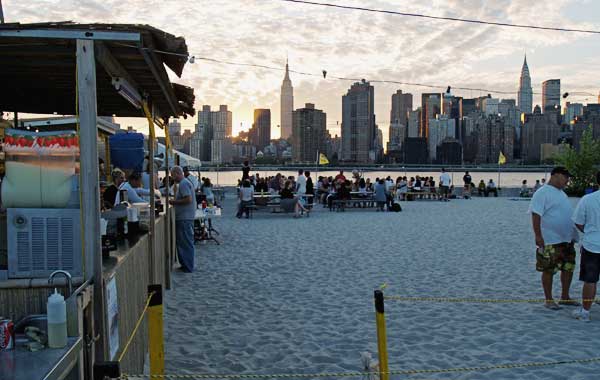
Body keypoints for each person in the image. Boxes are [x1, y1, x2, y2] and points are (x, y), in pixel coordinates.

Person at [529, 166, 578, 309]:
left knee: (568, 268)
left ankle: (565, 297)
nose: (567, 181)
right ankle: (549, 300)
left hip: (567, 239)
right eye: (565, 177)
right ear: (555, 175)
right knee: (549, 269)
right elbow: (535, 214)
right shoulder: (542, 192)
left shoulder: (561, 193)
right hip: (550, 239)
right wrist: (538, 236)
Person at [572, 171, 600, 322]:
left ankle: (585, 313)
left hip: (592, 245)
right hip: (592, 244)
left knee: (590, 280)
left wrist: (588, 231)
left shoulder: (588, 199)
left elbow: (578, 221)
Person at [168, 166, 197, 273]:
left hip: (184, 218)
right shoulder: (186, 182)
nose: (172, 177)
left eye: (172, 175)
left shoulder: (184, 184)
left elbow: (188, 199)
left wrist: (173, 202)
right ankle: (186, 264)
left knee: (185, 242)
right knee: (184, 241)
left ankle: (188, 266)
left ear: (177, 173)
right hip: (186, 217)